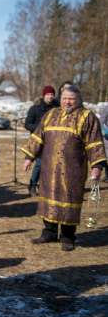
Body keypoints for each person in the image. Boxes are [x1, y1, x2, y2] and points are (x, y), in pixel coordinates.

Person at [22, 84, 106, 251]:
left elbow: (94, 144)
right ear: (60, 99)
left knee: (69, 199)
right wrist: (29, 157)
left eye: (71, 99)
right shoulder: (50, 114)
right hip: (49, 167)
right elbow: (38, 136)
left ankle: (68, 236)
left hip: (73, 169)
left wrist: (97, 167)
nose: (67, 102)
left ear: (78, 100)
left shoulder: (87, 117)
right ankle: (49, 232)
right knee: (48, 197)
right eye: (65, 98)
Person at [24, 85, 59, 196]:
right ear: (43, 95)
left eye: (52, 94)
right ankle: (33, 185)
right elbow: (27, 124)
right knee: (39, 163)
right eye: (48, 94)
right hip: (38, 141)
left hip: (54, 140)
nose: (50, 96)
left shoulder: (58, 108)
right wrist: (39, 129)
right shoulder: (35, 108)